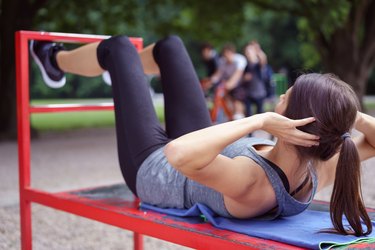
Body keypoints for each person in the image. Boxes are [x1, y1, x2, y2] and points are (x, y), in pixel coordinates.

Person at [31, 35, 375, 236]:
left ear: (294, 121)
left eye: (286, 98)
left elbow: (176, 155)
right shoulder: (318, 161)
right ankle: (126, 74)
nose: (280, 98)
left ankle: (53, 59)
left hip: (154, 169)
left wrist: (261, 118)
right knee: (170, 46)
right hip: (202, 143)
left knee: (118, 47)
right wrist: (344, 112)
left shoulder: (254, 181)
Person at [210, 44, 247, 120]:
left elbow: (237, 75)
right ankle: (231, 117)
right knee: (227, 102)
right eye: (225, 54)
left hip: (238, 85)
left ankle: (239, 116)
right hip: (227, 85)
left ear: (232, 53)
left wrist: (229, 84)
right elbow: (218, 74)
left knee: (238, 101)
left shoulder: (240, 60)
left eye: (228, 54)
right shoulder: (223, 61)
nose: (227, 56)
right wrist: (211, 81)